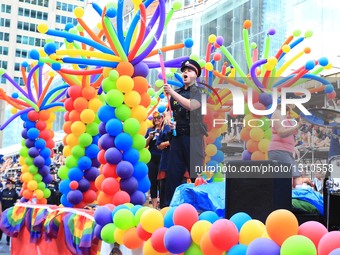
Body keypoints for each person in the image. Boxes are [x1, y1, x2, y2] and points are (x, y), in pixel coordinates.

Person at [163, 59, 207, 206]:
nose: (185, 73)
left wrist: (171, 93)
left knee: (196, 174)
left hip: (192, 137)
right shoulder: (177, 93)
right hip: (177, 138)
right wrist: (168, 120)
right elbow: (168, 112)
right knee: (173, 174)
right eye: (184, 71)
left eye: (189, 70)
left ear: (196, 74)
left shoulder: (199, 91)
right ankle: (169, 207)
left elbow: (192, 105)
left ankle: (202, 207)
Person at [268, 95, 303, 188]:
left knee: (288, 180)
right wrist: (297, 125)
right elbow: (281, 133)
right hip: (279, 150)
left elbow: (291, 136)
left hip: (286, 151)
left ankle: (288, 199)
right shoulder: (278, 113)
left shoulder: (286, 116)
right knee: (296, 178)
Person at [145, 111, 163, 208]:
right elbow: (144, 145)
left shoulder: (165, 129)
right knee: (153, 182)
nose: (157, 120)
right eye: (155, 118)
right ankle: (155, 206)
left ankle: (162, 203)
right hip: (152, 158)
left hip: (163, 157)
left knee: (162, 181)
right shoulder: (149, 130)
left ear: (162, 119)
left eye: (159, 118)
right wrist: (149, 137)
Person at [156, 112, 171, 209]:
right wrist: (169, 143)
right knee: (164, 186)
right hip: (166, 161)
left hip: (180, 161)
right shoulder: (164, 129)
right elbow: (159, 145)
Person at [0, 178, 19, 245]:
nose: (7, 185)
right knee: (1, 225)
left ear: (11, 184)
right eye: (7, 183)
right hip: (3, 211)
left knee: (9, 226)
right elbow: (1, 202)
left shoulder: (15, 192)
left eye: (8, 183)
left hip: (11, 212)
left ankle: (8, 240)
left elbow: (17, 202)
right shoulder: (3, 191)